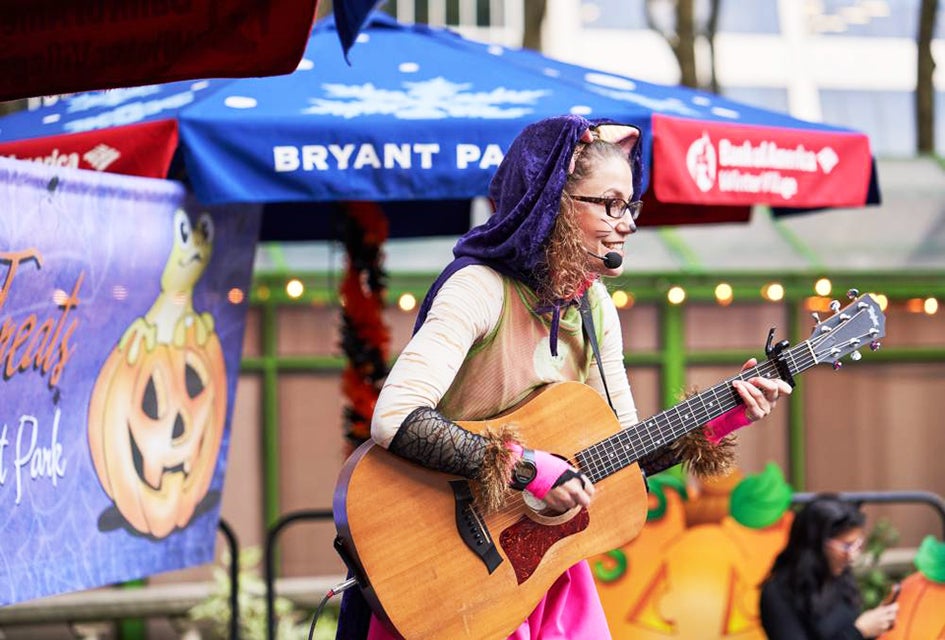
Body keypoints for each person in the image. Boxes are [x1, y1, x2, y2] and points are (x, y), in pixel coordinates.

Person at [335, 114, 792, 640]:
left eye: (631, 206)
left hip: (539, 577)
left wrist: (719, 419)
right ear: (551, 202)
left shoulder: (595, 307)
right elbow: (395, 418)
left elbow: (624, 455)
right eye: (610, 204)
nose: (627, 224)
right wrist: (531, 470)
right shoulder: (477, 287)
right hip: (443, 571)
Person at [760, 495, 900, 639]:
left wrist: (875, 625)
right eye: (846, 546)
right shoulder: (778, 593)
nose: (852, 556)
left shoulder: (839, 575)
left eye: (857, 544)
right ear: (815, 545)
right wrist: (859, 631)